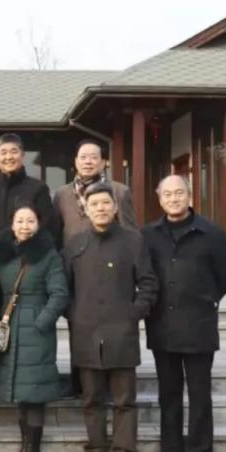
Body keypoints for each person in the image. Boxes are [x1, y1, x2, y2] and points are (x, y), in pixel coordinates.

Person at [63, 182, 158, 452]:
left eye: (106, 203)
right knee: (91, 399)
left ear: (115, 207)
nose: (100, 208)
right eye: (94, 204)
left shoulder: (133, 241)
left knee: (124, 400)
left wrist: (134, 313)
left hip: (122, 332)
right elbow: (64, 288)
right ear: (86, 208)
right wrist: (75, 315)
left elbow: (148, 283)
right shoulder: (75, 244)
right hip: (86, 333)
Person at [143, 174, 226, 452]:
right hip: (162, 325)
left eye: (179, 193)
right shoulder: (149, 234)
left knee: (199, 394)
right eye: (167, 194)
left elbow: (224, 278)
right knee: (168, 394)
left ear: (190, 196)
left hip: (199, 324)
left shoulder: (212, 233)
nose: (173, 198)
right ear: (160, 199)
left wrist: (203, 300)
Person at [0, 133, 54, 401]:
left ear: (22, 155)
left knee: (20, 325)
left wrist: (30, 257)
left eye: (13, 152)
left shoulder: (37, 188)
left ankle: (27, 380)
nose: (8, 157)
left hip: (26, 269)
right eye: (3, 152)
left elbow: (48, 229)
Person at [52, 139, 137, 397]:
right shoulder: (62, 194)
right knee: (78, 329)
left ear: (103, 162)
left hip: (111, 268)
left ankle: (110, 383)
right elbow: (56, 232)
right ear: (75, 162)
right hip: (77, 268)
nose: (88, 161)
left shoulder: (119, 191)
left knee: (112, 332)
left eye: (93, 157)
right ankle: (80, 383)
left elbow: (131, 231)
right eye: (83, 157)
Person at [0, 204, 69, 452]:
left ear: (39, 225)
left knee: (34, 395)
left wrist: (41, 322)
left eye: (30, 221)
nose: (25, 226)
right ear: (12, 225)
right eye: (20, 221)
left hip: (36, 331)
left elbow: (59, 294)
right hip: (9, 329)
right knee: (19, 394)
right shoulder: (2, 253)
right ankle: (24, 449)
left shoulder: (49, 255)